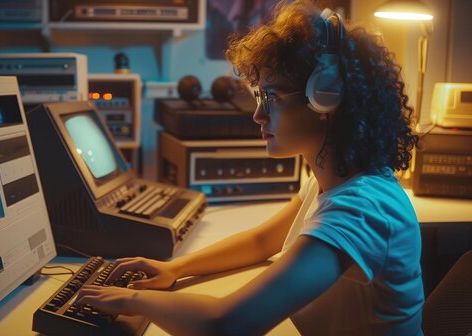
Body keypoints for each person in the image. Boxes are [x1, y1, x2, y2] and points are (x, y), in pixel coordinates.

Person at [76, 1, 423, 335]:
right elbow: (261, 242)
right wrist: (173, 269)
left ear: (324, 97)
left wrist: (134, 299)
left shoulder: (361, 208)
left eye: (271, 98)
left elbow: (226, 325)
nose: (258, 115)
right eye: (259, 98)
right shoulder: (332, 181)